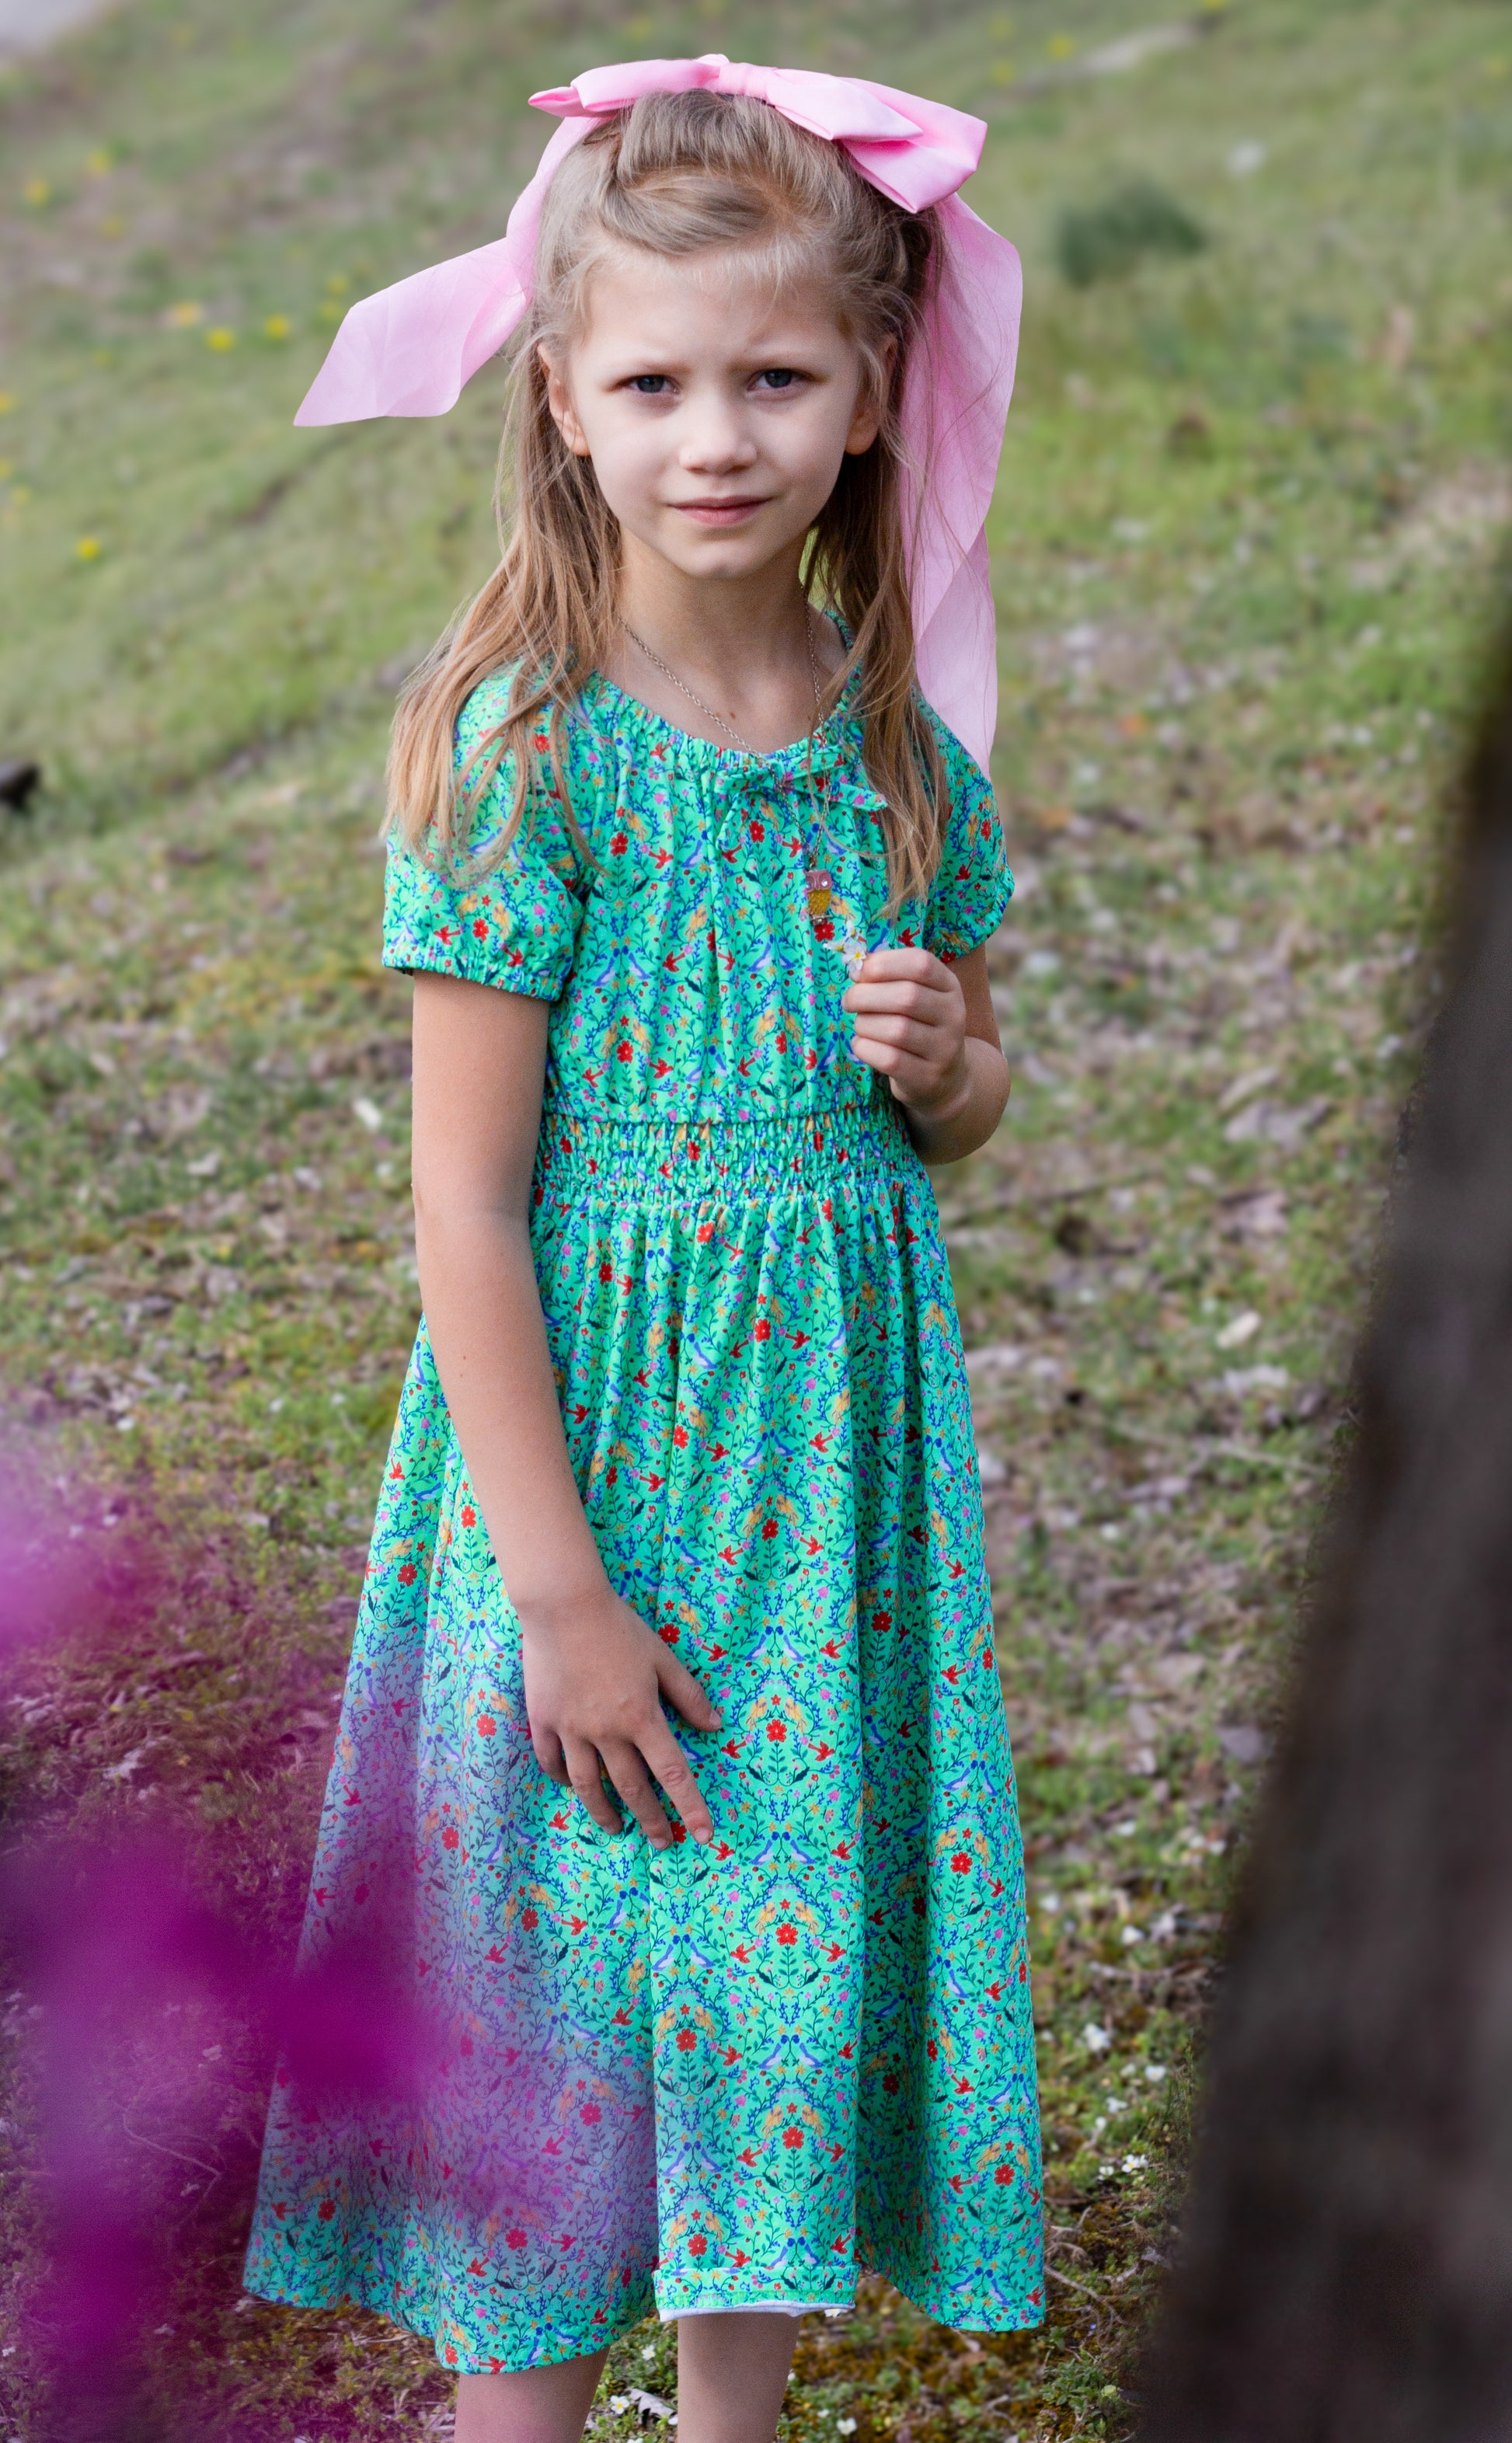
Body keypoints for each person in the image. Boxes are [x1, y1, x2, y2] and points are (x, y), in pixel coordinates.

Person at [243, 58, 1043, 2443]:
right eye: (657, 383)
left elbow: (964, 1122)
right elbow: (462, 1210)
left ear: (872, 391)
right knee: (563, 1994)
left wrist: (950, 1067)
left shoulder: (897, 739)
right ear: (562, 403)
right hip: (584, 1481)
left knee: (774, 1994)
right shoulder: (524, 750)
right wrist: (561, 1596)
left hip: (834, 1503)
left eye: (777, 376)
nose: (721, 435)